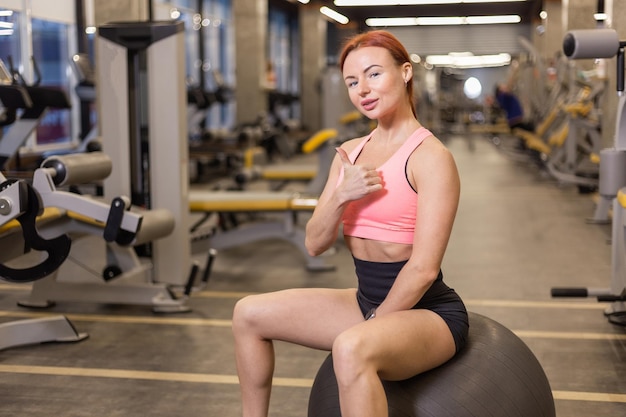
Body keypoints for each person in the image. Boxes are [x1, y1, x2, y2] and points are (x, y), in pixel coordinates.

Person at [232, 30, 468, 417]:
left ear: (405, 72)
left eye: (374, 74)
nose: (363, 90)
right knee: (248, 314)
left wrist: (371, 325)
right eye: (352, 82)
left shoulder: (430, 157)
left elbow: (424, 269)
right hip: (366, 301)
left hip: (428, 313)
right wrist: (342, 193)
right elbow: (314, 242)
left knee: (350, 347)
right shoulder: (350, 154)